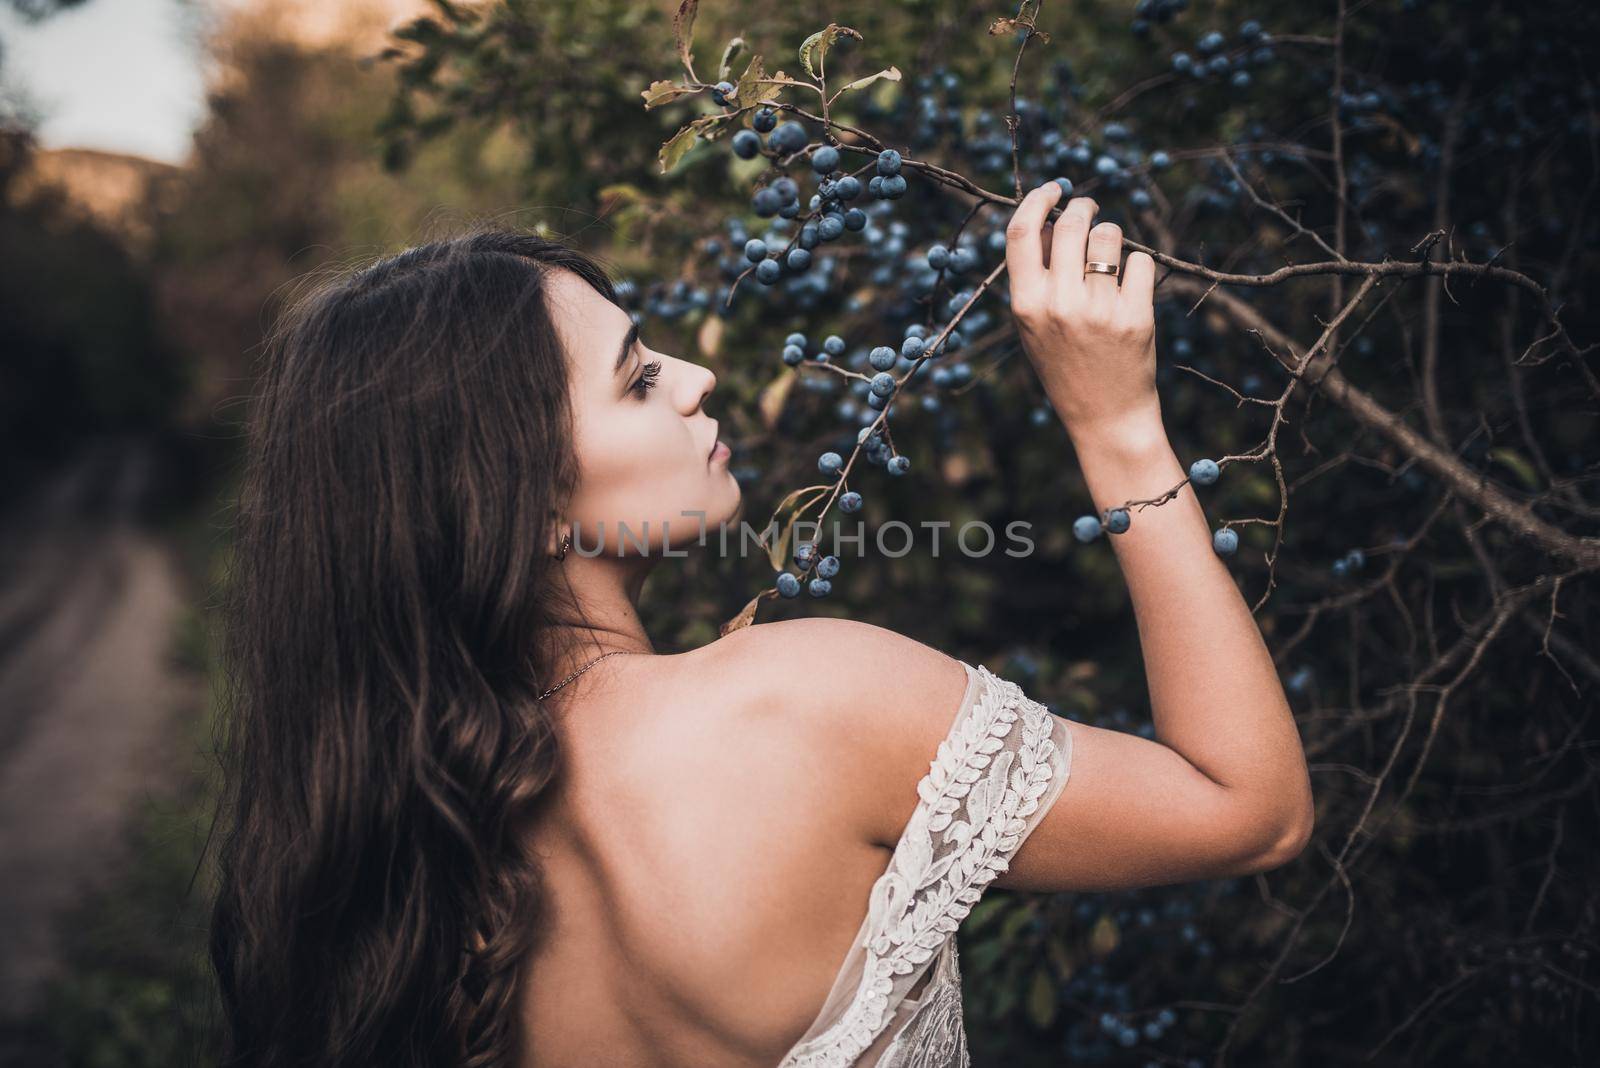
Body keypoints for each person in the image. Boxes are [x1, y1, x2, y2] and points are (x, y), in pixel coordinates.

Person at [208, 188, 1313, 1068]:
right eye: (638, 379)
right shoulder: (802, 704)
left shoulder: (400, 877)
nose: (697, 379)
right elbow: (1247, 809)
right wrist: (1117, 426)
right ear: (521, 501)